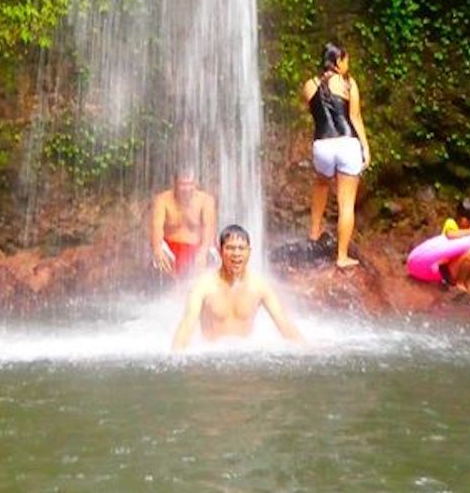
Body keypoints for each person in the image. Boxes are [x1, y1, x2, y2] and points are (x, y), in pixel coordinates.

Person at [172, 224, 304, 349]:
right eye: (230, 248)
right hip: (213, 359)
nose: (236, 253)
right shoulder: (203, 286)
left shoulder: (259, 286)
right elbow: (187, 325)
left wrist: (305, 350)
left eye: (241, 248)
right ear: (220, 251)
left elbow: (284, 323)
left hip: (245, 359)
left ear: (249, 252)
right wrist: (175, 356)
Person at [301, 41, 370, 268]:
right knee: (346, 203)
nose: (347, 65)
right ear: (338, 60)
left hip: (322, 144)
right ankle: (341, 257)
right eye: (346, 60)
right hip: (346, 143)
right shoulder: (348, 83)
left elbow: (314, 112)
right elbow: (355, 118)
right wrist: (365, 148)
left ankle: (314, 232)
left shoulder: (310, 85)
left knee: (321, 184)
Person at [406, 198, 470, 301]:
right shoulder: (451, 224)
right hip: (445, 267)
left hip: (459, 265)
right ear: (463, 219)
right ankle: (460, 283)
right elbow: (450, 235)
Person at [150, 164, 217, 277]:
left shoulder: (206, 200)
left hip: (198, 246)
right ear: (175, 183)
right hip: (171, 247)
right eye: (182, 184)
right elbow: (156, 228)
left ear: (196, 183)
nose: (187, 189)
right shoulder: (162, 200)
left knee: (211, 262)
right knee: (158, 263)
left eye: (190, 184)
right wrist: (157, 249)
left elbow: (209, 229)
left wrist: (203, 252)